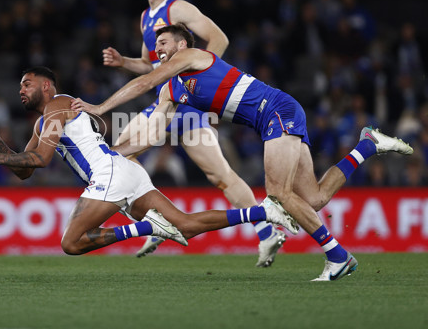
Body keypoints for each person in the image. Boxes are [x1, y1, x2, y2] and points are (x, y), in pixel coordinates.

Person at [71, 24, 414, 281]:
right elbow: (152, 134)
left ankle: (338, 257)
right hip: (275, 117)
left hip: (276, 110)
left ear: (182, 43)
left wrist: (100, 107)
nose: (158, 49)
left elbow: (144, 81)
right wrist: (112, 152)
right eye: (155, 45)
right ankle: (367, 145)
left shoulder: (193, 56)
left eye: (164, 43)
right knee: (314, 198)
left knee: (278, 195)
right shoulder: (172, 90)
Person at [0, 67, 299, 256]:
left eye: (26, 84)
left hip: (109, 173)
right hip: (123, 170)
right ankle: (265, 211)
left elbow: (40, 159)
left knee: (71, 242)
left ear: (45, 85)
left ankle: (146, 227)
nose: (20, 91)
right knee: (185, 225)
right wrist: (1, 146)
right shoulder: (42, 123)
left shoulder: (58, 104)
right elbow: (26, 170)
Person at [102, 0, 284, 266]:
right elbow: (150, 66)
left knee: (121, 153)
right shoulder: (147, 18)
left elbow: (219, 38)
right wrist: (124, 63)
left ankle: (159, 220)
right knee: (218, 174)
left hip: (183, 102)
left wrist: (198, 83)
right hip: (172, 101)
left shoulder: (178, 8)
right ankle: (264, 233)